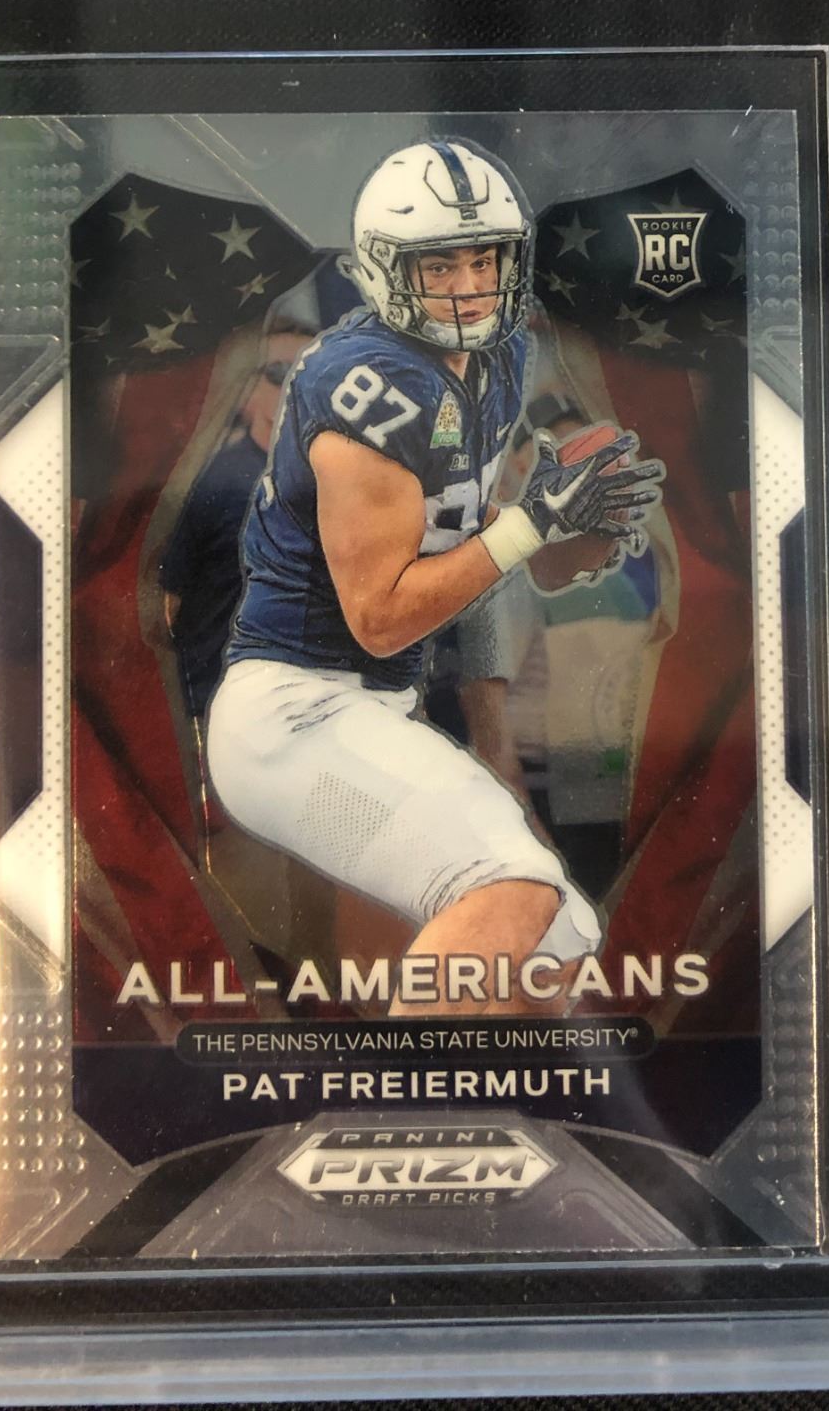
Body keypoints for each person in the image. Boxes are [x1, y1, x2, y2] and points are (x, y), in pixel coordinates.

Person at [205, 139, 664, 1016]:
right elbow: (380, 618)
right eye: (440, 265)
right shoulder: (365, 384)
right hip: (293, 716)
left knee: (553, 949)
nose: (469, 286)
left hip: (365, 708)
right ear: (385, 271)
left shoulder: (497, 360)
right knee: (509, 891)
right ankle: (402, 1091)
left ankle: (486, 1095)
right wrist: (532, 524)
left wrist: (559, 540)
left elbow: (461, 542)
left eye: (485, 259)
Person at [159, 320, 315, 720]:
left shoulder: (349, 486)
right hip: (215, 703)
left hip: (304, 708)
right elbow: (166, 604)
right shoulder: (208, 481)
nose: (292, 386)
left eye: (310, 372)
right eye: (278, 373)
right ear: (246, 388)